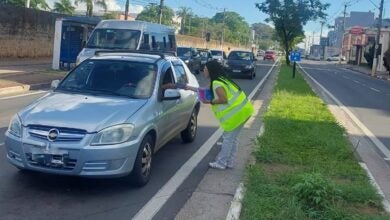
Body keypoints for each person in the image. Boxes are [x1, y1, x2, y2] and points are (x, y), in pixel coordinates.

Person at [185, 59, 254, 169]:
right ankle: (229, 162)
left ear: (211, 70)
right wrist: (187, 87)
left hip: (237, 115)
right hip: (244, 111)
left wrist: (210, 102)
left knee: (228, 139)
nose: (203, 71)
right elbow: (204, 90)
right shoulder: (221, 79)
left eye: (206, 69)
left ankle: (221, 163)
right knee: (233, 139)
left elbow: (223, 99)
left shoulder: (217, 83)